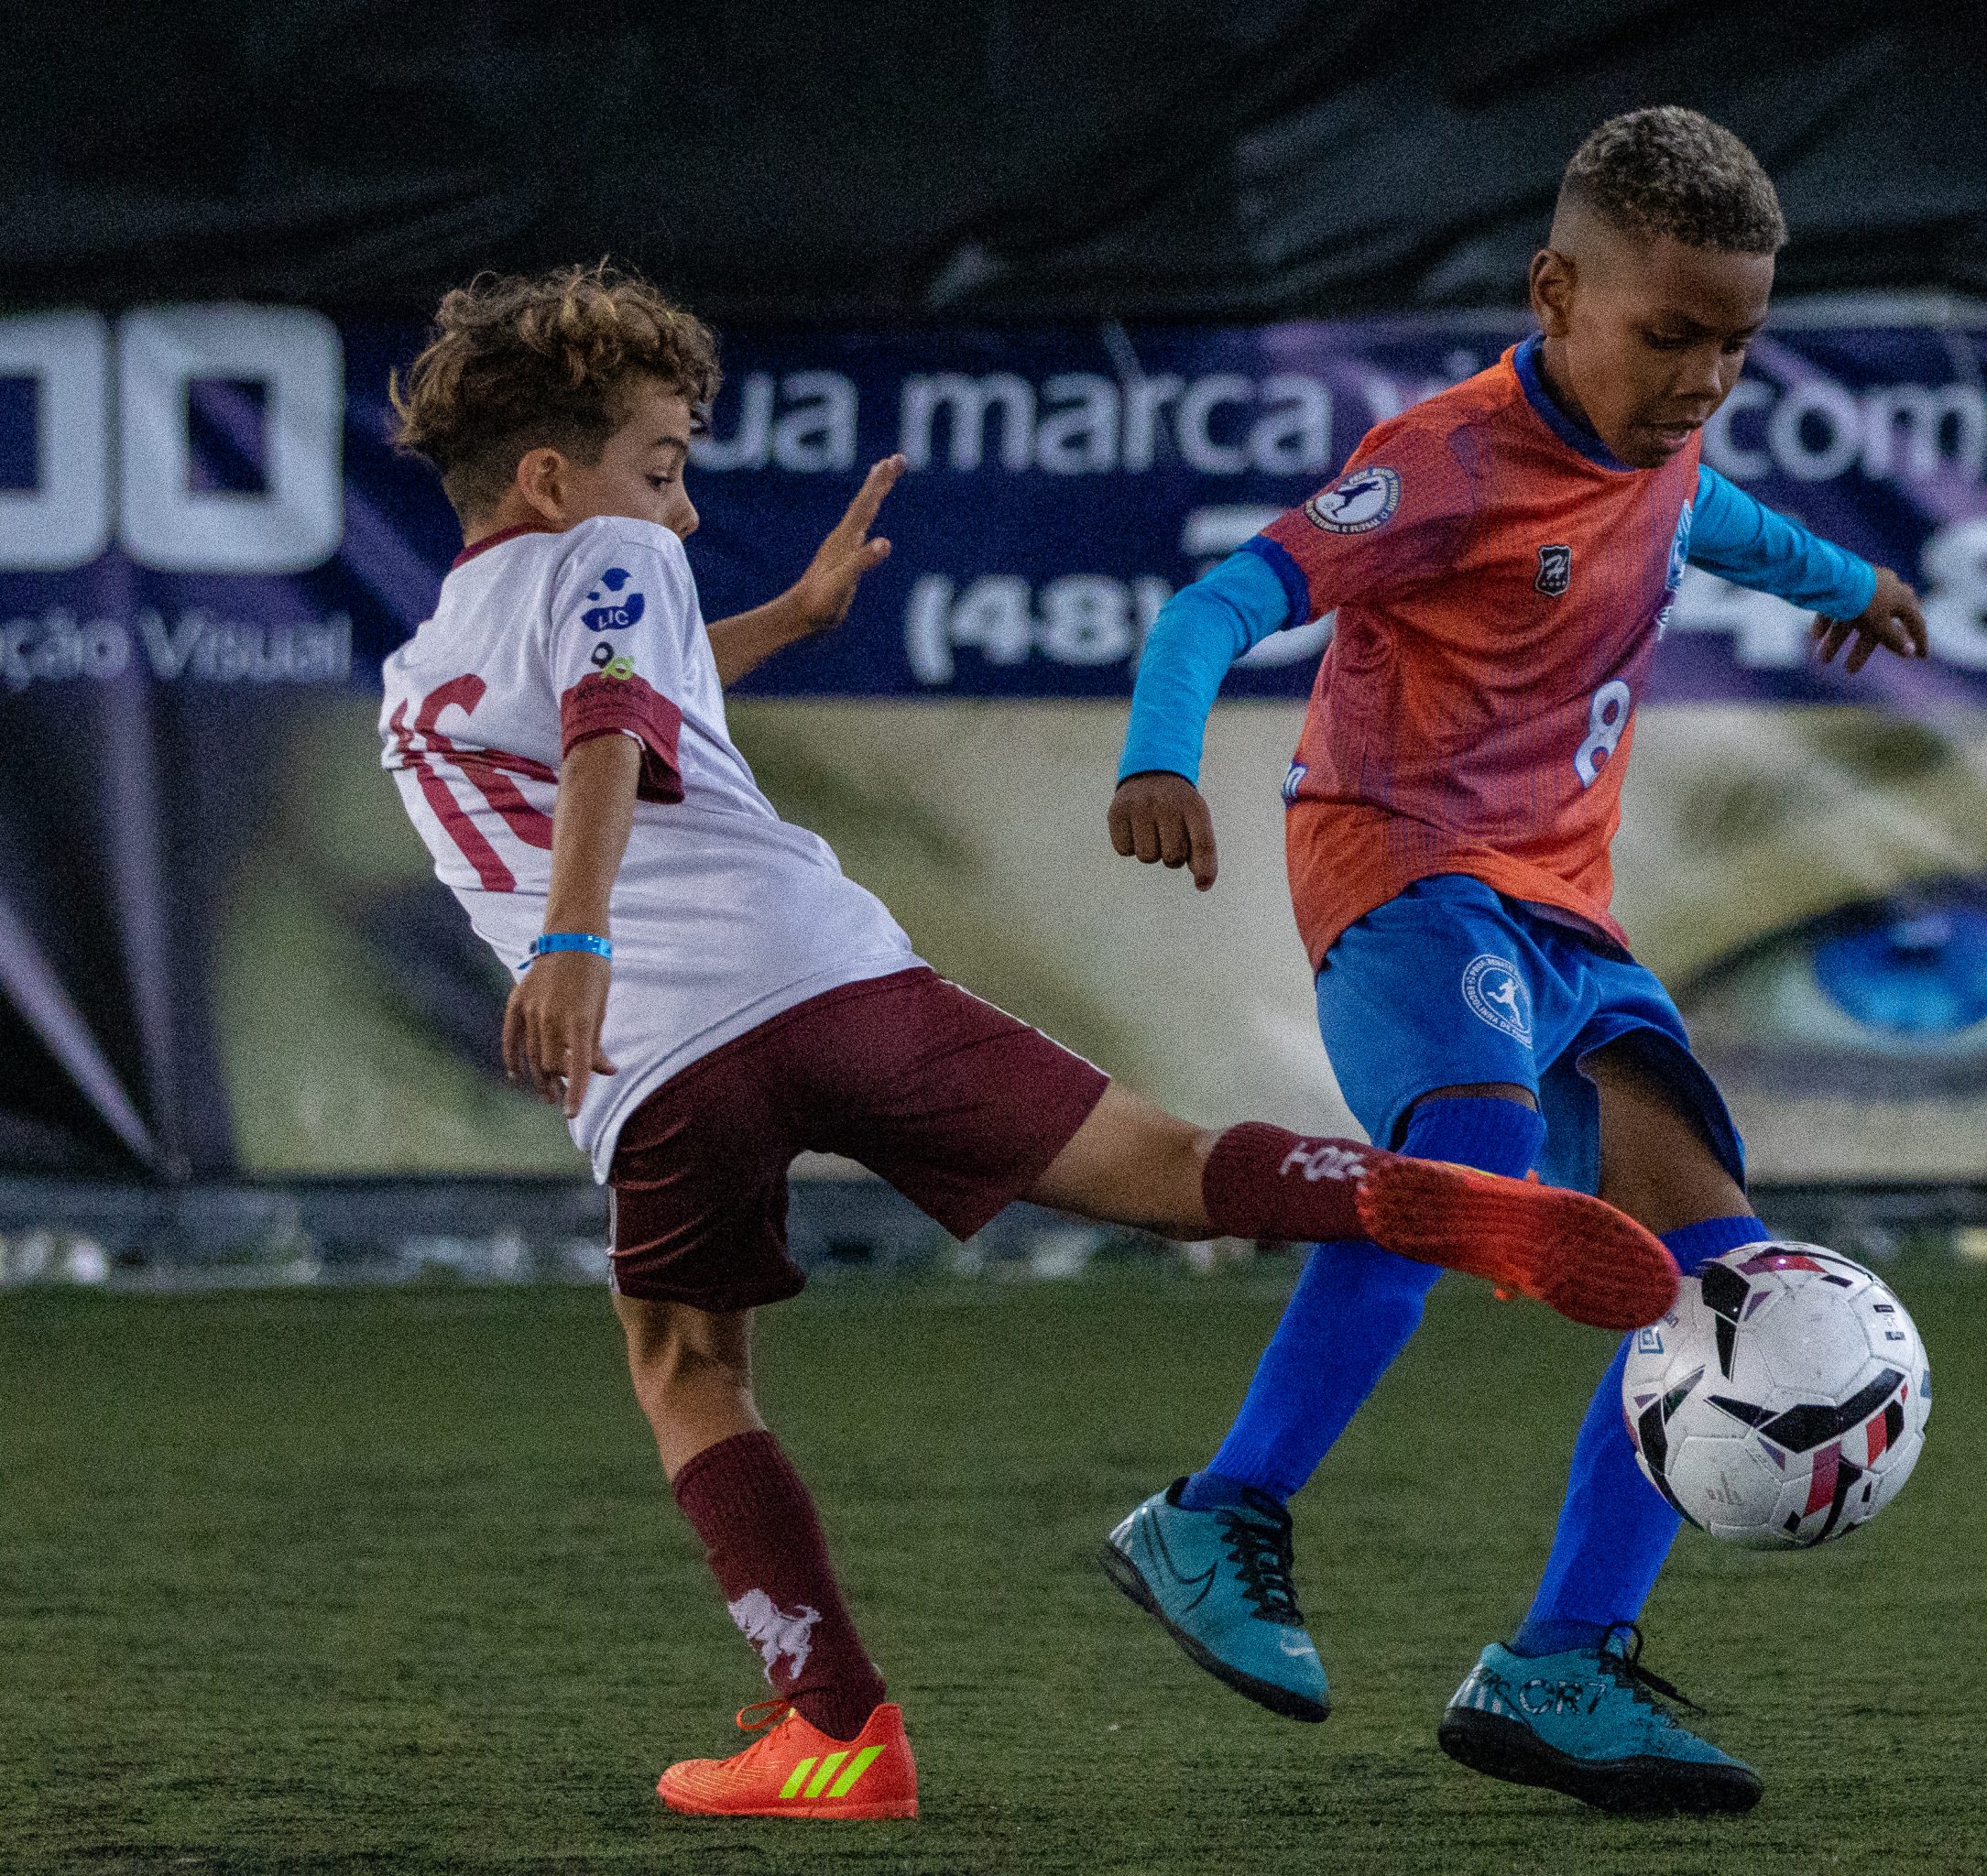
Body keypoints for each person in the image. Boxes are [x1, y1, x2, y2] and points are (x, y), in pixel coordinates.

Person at [376, 264, 1678, 1822]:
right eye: (665, 468)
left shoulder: (416, 677)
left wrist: (590, 929)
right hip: (828, 978)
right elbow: (609, 710)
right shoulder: (611, 549)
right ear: (549, 473)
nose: (683, 511)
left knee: (689, 1370)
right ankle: (1397, 1194)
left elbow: (595, 712)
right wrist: (592, 908)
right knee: (1168, 1164)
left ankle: (838, 1731)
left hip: (657, 1056)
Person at [1099, 106, 1929, 1816]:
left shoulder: (1663, 449)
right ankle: (1218, 1511)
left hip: (1566, 919)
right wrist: (1159, 755)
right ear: (1556, 292)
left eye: (1736, 344)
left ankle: (1562, 1659)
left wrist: (1856, 578)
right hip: (1405, 873)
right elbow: (1216, 609)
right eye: (1670, 334)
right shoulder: (1447, 461)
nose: (1704, 377)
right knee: (1467, 1156)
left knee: (1725, 1277)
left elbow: (1725, 524)